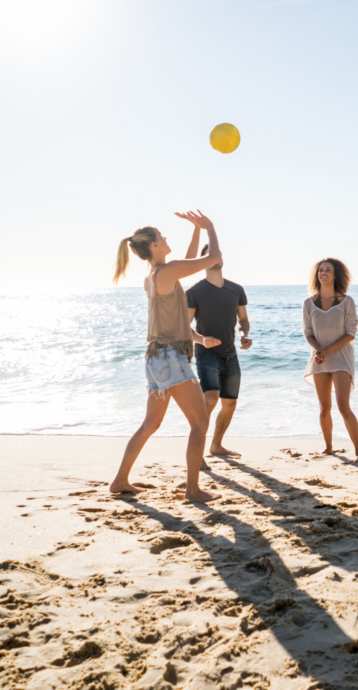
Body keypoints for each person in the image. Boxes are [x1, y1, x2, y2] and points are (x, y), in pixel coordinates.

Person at [109, 211, 223, 502]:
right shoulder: (166, 272)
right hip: (171, 358)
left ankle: (120, 480)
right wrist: (210, 229)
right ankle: (193, 490)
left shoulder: (154, 275)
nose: (166, 238)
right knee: (199, 423)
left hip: (156, 358)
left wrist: (196, 230)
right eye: (162, 237)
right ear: (154, 246)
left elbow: (185, 265)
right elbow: (212, 259)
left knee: (151, 424)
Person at [186, 244, 252, 463]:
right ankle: (197, 451)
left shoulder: (236, 289)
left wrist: (243, 335)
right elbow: (184, 326)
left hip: (230, 354)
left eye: (218, 255)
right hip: (206, 353)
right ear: (203, 260)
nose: (216, 258)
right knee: (211, 398)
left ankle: (216, 445)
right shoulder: (195, 292)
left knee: (230, 403)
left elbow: (243, 319)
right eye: (210, 255)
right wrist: (202, 339)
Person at [302, 258, 358, 461]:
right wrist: (319, 351)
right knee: (324, 408)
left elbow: (350, 334)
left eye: (328, 270)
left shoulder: (347, 302)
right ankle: (328, 447)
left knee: (343, 407)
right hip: (320, 358)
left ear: (336, 275)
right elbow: (308, 332)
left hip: (341, 359)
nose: (324, 273)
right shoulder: (308, 303)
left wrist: (327, 350)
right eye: (321, 270)